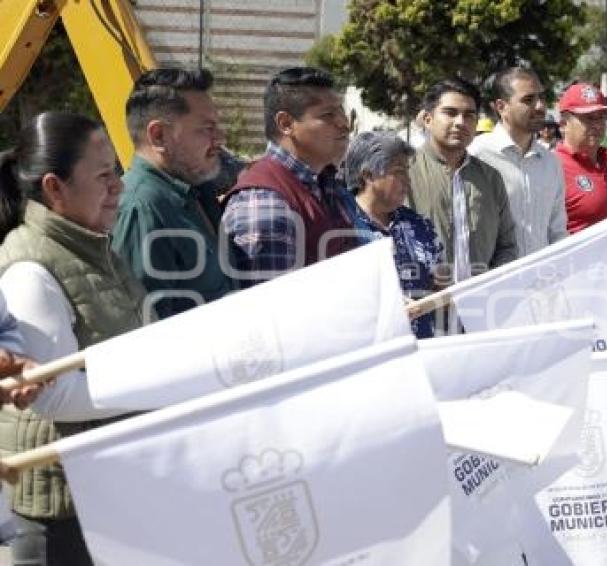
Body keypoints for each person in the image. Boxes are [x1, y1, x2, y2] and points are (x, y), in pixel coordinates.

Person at [0, 112, 147, 565]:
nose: (118, 186)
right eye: (104, 176)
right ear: (54, 187)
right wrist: (159, 383)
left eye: (117, 172)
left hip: (96, 490)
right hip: (55, 508)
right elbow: (54, 394)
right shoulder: (30, 269)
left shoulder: (92, 247)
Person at [111, 67, 232, 319]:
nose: (220, 138)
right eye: (207, 129)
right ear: (158, 135)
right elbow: (146, 327)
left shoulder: (196, 192)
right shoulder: (142, 208)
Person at [221, 66, 356, 288]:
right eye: (328, 115)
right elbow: (271, 311)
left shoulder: (325, 183)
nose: (344, 123)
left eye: (341, 111)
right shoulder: (265, 201)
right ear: (286, 124)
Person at [408, 77, 518, 284]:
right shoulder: (404, 173)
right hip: (423, 307)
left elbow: (507, 246)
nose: (460, 122)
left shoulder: (490, 178)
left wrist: (491, 286)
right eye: (450, 113)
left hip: (482, 306)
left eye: (469, 115)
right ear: (428, 119)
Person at [342, 132, 444, 338]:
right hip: (366, 354)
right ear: (368, 175)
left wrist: (432, 300)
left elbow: (438, 284)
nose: (408, 180)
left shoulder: (420, 225)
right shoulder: (339, 225)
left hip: (421, 350)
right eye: (399, 172)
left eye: (407, 171)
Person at [469, 67, 567, 258]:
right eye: (528, 100)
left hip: (543, 280)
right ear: (501, 107)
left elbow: (557, 231)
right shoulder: (476, 156)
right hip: (493, 281)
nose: (540, 106)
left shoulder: (550, 162)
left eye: (541, 98)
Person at [554, 82, 607, 262]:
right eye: (588, 118)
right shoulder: (553, 167)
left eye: (602, 117)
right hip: (581, 281)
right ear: (563, 124)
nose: (597, 125)